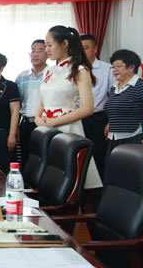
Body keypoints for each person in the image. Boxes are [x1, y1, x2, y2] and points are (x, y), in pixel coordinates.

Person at [36, 25, 103, 196]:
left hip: (68, 129)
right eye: (46, 46)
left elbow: (87, 108)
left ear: (64, 43)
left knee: (70, 182)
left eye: (50, 45)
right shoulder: (49, 71)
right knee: (49, 181)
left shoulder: (79, 69)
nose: (47, 50)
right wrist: (37, 118)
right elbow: (44, 101)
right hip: (47, 129)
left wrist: (55, 121)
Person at [104, 49, 143, 159]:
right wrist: (110, 122)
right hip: (114, 139)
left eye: (118, 66)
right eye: (113, 67)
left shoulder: (141, 85)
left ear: (131, 67)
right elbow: (117, 108)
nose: (114, 70)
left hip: (134, 138)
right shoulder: (114, 88)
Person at [79, 34, 115, 180]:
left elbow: (115, 95)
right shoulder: (72, 69)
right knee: (77, 155)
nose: (82, 52)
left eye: (86, 48)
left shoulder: (107, 69)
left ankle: (98, 192)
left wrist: (111, 121)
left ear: (95, 49)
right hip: (76, 119)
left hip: (98, 119)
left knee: (98, 155)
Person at [15, 39, 48, 168]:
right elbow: (18, 105)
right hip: (26, 124)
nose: (35, 54)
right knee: (26, 159)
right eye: (33, 51)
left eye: (40, 51)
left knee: (46, 160)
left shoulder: (53, 74)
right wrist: (16, 127)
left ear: (48, 53)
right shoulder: (21, 77)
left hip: (46, 124)